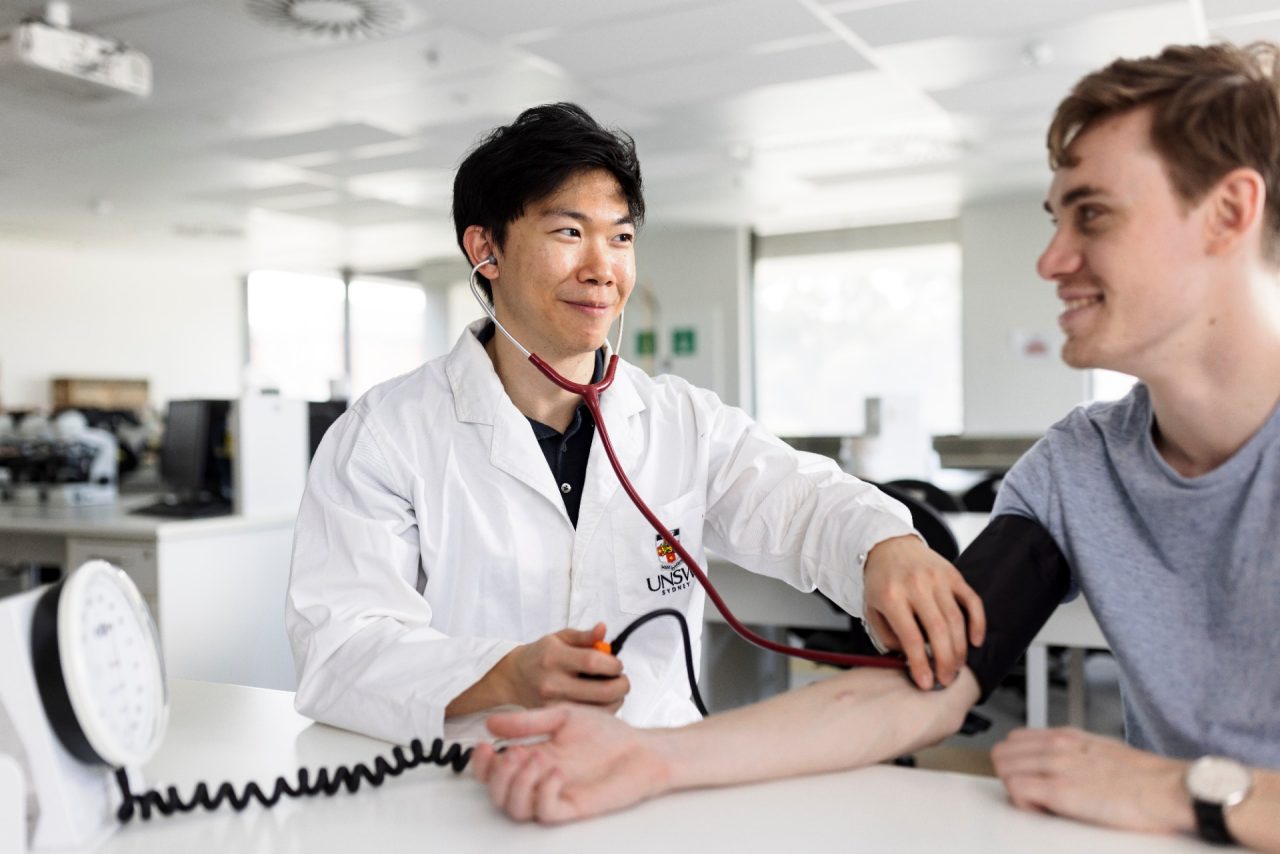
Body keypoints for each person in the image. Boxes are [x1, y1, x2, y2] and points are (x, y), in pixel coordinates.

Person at [472, 43, 1280, 851]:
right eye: (1056, 218)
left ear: (1229, 212)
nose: (1051, 260)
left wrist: (1187, 790)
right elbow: (927, 685)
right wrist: (651, 758)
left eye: (1094, 214)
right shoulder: (1081, 466)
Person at [284, 103, 982, 747]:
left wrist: (883, 543)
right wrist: (505, 673)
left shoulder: (681, 421)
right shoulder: (385, 435)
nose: (602, 268)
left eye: (620, 237)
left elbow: (801, 500)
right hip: (473, 785)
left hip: (654, 781)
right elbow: (339, 649)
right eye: (568, 232)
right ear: (484, 251)